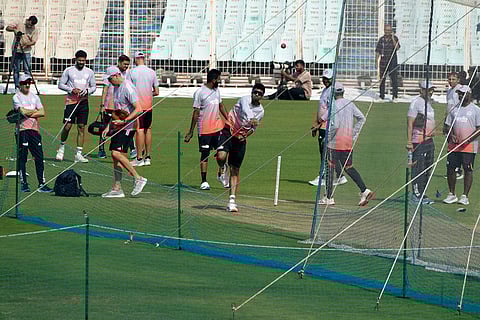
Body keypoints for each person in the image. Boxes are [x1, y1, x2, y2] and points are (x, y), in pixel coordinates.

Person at [318, 82, 374, 206]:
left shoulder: (333, 105)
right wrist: (353, 134)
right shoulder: (350, 104)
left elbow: (325, 119)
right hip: (347, 142)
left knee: (330, 168)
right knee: (348, 167)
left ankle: (329, 197)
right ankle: (364, 190)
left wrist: (327, 138)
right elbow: (361, 118)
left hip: (334, 143)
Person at [101, 68, 148, 198]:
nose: (109, 81)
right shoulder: (116, 87)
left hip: (127, 127)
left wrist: (125, 121)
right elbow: (118, 110)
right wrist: (108, 126)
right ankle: (117, 188)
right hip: (119, 127)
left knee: (115, 153)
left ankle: (138, 178)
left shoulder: (128, 87)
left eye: (110, 79)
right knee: (116, 159)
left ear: (116, 75)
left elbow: (138, 109)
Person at [222, 83, 265, 212]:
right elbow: (246, 111)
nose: (256, 95)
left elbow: (253, 128)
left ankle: (232, 201)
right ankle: (222, 168)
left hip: (240, 137)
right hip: (229, 130)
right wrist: (252, 119)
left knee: (235, 169)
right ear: (252, 92)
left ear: (262, 96)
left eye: (259, 93)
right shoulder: (244, 99)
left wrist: (245, 135)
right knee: (221, 156)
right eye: (255, 92)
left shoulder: (261, 111)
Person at [184, 69, 229, 190]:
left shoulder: (217, 90)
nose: (220, 81)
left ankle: (222, 171)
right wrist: (191, 132)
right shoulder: (200, 92)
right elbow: (196, 113)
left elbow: (221, 105)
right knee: (205, 155)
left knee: (222, 155)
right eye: (219, 78)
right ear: (214, 80)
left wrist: (228, 119)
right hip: (204, 130)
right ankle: (204, 181)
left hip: (218, 128)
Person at [12, 74, 53, 193]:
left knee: (39, 157)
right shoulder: (16, 97)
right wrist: (34, 111)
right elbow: (22, 112)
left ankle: (41, 183)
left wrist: (29, 112)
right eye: (25, 83)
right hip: (22, 130)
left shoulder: (35, 97)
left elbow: (42, 112)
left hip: (34, 131)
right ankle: (24, 183)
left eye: (29, 82)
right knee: (23, 158)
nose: (27, 85)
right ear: (20, 84)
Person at [56, 50, 96, 163]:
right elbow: (61, 84)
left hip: (83, 103)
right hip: (71, 102)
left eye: (83, 60)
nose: (81, 62)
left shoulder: (89, 72)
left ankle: (79, 153)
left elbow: (94, 87)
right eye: (79, 60)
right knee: (67, 126)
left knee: (81, 127)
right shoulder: (69, 71)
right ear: (76, 59)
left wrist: (87, 91)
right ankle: (61, 148)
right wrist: (71, 90)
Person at [443, 85, 480, 205]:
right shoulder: (454, 109)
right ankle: (451, 194)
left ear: (469, 94)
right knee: (450, 168)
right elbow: (447, 126)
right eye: (459, 93)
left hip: (469, 146)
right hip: (454, 145)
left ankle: (465, 196)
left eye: (463, 93)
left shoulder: (476, 110)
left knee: (467, 169)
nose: (460, 96)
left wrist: (469, 139)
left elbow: (479, 128)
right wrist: (450, 135)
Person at [310, 68, 347, 187]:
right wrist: (316, 123)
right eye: (324, 78)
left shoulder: (332, 91)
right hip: (322, 125)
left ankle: (324, 176)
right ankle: (340, 176)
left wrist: (320, 121)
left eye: (328, 79)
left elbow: (332, 110)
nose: (325, 81)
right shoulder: (326, 90)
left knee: (324, 151)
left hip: (327, 126)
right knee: (328, 151)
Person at [406, 81, 436, 204]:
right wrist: (409, 142)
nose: (430, 92)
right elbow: (409, 123)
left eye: (431, 89)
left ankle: (422, 193)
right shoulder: (416, 103)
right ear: (421, 90)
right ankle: (416, 194)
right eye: (427, 89)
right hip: (418, 140)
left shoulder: (428, 103)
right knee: (418, 168)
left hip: (429, 140)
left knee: (427, 167)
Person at [128, 51, 159, 167]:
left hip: (138, 107)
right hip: (149, 105)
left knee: (139, 130)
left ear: (135, 59)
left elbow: (129, 90)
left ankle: (139, 157)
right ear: (144, 58)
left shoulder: (132, 72)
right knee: (148, 129)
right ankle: (148, 156)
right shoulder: (151, 72)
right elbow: (156, 92)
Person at [98, 55, 132, 159]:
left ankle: (129, 148)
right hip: (109, 104)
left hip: (121, 106)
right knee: (105, 127)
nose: (126, 66)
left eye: (127, 64)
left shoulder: (128, 73)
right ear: (119, 62)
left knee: (124, 127)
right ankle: (101, 149)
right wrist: (102, 105)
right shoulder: (112, 70)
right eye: (124, 64)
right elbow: (105, 88)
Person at [6, 16, 39, 90]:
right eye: (29, 24)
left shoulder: (35, 29)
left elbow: (34, 41)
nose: (29, 26)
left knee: (27, 69)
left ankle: (26, 87)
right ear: (27, 20)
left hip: (26, 51)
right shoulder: (19, 22)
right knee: (16, 69)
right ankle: (17, 87)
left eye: (31, 25)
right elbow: (7, 28)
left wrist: (26, 44)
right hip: (16, 49)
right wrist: (14, 30)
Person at [375, 24, 400, 102]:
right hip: (383, 61)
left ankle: (395, 96)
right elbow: (377, 52)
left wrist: (392, 38)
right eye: (386, 30)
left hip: (392, 61)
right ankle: (381, 96)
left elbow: (397, 47)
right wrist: (376, 61)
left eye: (389, 31)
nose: (387, 32)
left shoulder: (395, 38)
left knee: (394, 79)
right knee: (382, 79)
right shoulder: (381, 40)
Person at [446, 72, 463, 180]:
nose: (451, 81)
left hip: (458, 121)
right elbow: (448, 107)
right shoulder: (449, 91)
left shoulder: (460, 90)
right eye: (449, 79)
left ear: (458, 80)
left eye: (453, 79)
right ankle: (452, 166)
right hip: (449, 120)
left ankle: (458, 168)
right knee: (450, 143)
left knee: (458, 143)